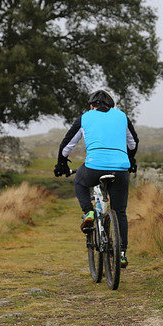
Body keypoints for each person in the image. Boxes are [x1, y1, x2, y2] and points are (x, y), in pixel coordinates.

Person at [54, 90, 138, 268]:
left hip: (94, 167)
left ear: (91, 106)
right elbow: (133, 143)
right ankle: (122, 253)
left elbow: (66, 145)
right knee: (120, 211)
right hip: (120, 169)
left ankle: (88, 212)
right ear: (111, 106)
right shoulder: (122, 116)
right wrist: (130, 160)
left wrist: (61, 163)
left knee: (80, 181)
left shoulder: (86, 117)